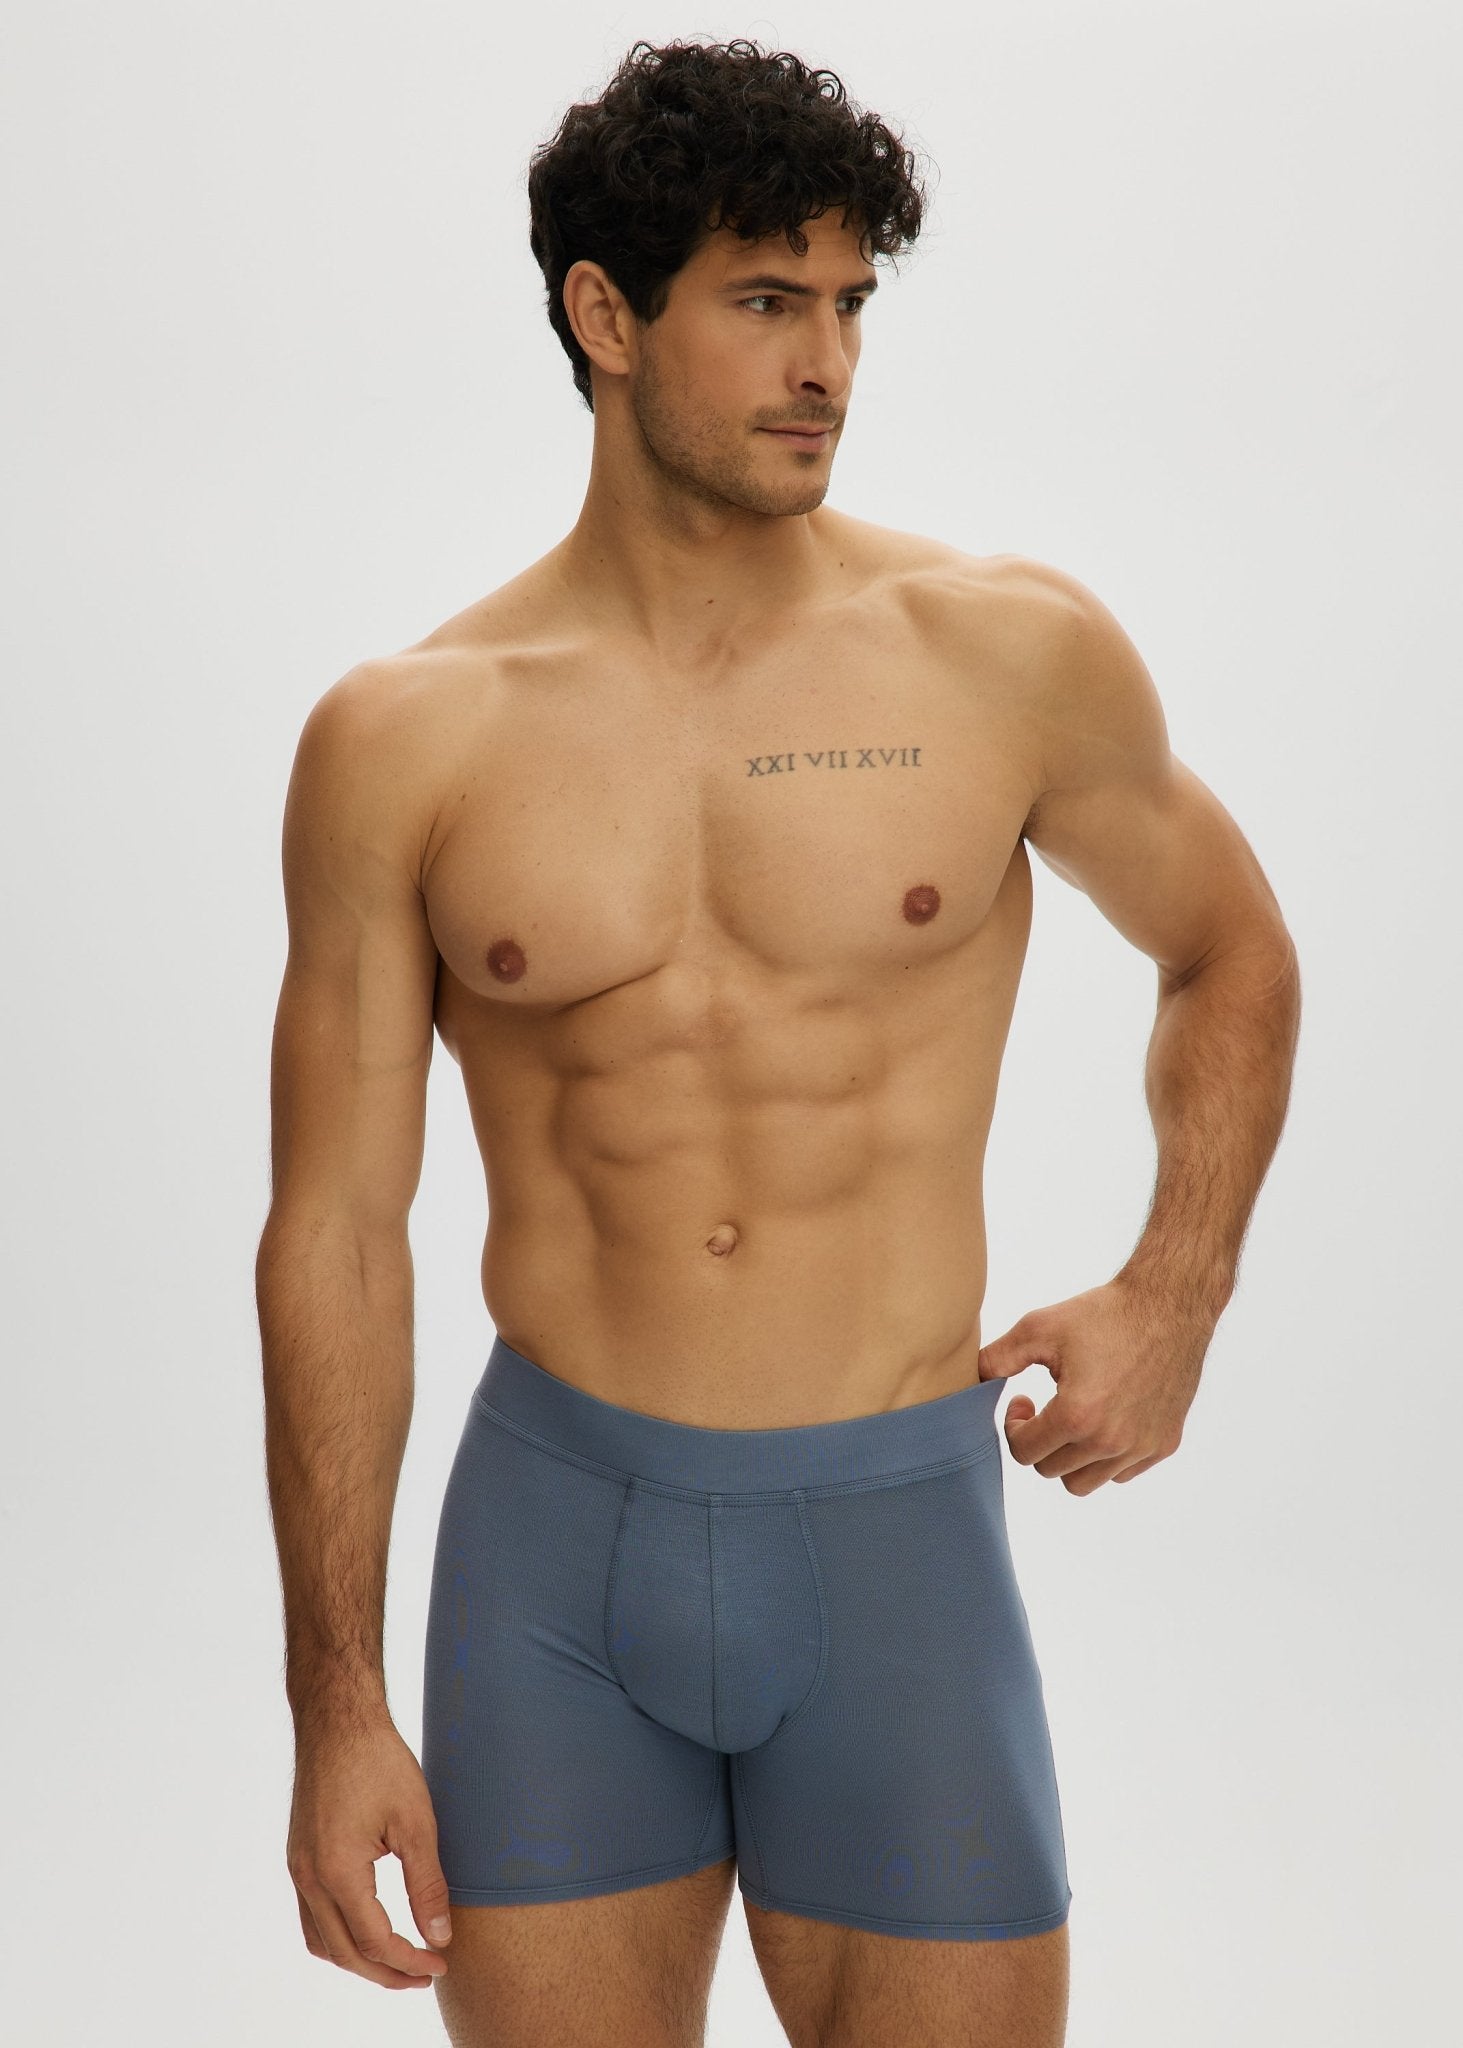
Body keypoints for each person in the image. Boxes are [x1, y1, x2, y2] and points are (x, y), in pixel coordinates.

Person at [255, 34, 1301, 2048]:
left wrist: (1173, 1294)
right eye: (763, 300)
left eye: (849, 304)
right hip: (556, 1561)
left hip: (898, 1544)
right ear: (605, 316)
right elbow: (337, 1232)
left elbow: (1231, 949)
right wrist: (339, 1703)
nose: (827, 363)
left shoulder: (1003, 656)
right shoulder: (407, 739)